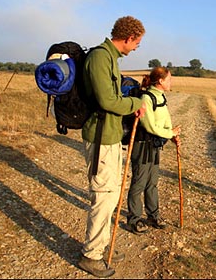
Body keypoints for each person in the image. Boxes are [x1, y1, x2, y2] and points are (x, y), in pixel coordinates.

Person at [78, 16, 147, 278]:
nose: (137, 47)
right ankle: (91, 256)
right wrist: (134, 105)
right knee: (103, 196)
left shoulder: (110, 58)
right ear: (128, 38)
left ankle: (102, 246)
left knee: (111, 194)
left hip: (110, 136)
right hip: (100, 138)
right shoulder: (99, 57)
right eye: (137, 43)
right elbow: (108, 100)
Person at [126, 67, 181, 234]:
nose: (171, 82)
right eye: (169, 79)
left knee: (152, 183)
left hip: (154, 145)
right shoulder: (146, 98)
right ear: (161, 81)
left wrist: (171, 134)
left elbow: (164, 120)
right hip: (142, 145)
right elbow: (149, 125)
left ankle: (152, 215)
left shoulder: (160, 97)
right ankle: (134, 219)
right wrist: (169, 133)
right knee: (139, 182)